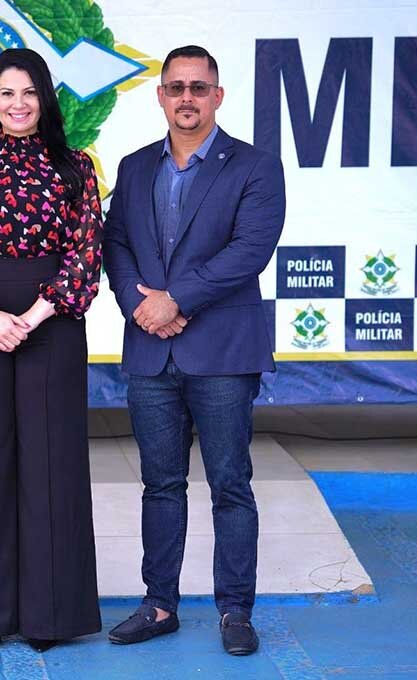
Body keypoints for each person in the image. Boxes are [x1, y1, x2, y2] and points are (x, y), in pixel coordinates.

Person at [103, 45, 286, 656]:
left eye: (199, 87)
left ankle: (236, 609)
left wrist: (174, 300)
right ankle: (160, 605)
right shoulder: (132, 168)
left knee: (230, 484)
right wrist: (137, 301)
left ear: (218, 95)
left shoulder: (256, 167)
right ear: (159, 95)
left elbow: (248, 251)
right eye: (176, 86)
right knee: (161, 485)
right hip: (151, 352)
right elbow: (117, 245)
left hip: (222, 353)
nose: (187, 97)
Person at [0, 48, 104, 654]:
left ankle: (50, 615)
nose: (18, 104)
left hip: (51, 323)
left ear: (45, 98)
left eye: (29, 92)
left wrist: (33, 314)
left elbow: (87, 251)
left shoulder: (75, 168)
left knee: (51, 465)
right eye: (7, 93)